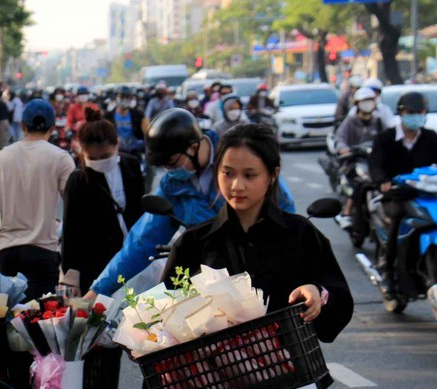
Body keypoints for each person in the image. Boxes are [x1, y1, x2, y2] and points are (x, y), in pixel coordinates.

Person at [121, 123, 353, 389]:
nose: (237, 186)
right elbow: (160, 317)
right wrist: (146, 340)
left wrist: (316, 294)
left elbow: (338, 298)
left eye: (250, 175)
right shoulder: (195, 244)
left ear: (272, 175)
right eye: (227, 173)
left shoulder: (301, 235)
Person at [85, 109, 296, 300]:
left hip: (263, 279)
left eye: (172, 163)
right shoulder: (173, 186)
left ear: (194, 147)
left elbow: (285, 218)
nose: (235, 185)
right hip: (214, 288)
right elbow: (141, 241)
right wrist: (99, 289)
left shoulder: (239, 156)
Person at [60, 108, 144, 389]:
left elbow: (145, 214)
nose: (100, 162)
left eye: (106, 156)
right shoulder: (78, 180)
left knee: (141, 345)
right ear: (82, 153)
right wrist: (73, 276)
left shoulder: (131, 166)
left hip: (138, 268)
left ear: (117, 146)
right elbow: (72, 232)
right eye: (93, 158)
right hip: (99, 276)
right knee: (100, 350)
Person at [0, 99, 75, 301]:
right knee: (40, 321)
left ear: (23, 125)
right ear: (52, 128)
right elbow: (73, 206)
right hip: (43, 251)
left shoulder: (0, 158)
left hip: (7, 253)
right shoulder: (61, 158)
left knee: (11, 317)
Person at [368, 91, 437, 294]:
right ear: (401, 112)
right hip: (397, 196)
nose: (416, 116)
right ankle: (389, 273)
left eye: (420, 112)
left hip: (427, 196)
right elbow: (376, 164)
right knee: (397, 225)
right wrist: (382, 182)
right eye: (411, 112)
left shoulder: (431, 138)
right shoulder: (386, 138)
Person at [334, 87, 385, 233]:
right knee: (360, 183)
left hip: (375, 162)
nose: (367, 104)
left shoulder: (379, 122)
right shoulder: (350, 122)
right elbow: (340, 139)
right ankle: (347, 211)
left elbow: (389, 138)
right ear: (357, 103)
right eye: (364, 101)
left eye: (370, 101)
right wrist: (344, 148)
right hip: (355, 161)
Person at [104, 86, 149, 158]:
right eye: (122, 97)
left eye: (127, 97)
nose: (125, 100)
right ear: (116, 98)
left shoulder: (138, 115)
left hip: (136, 151)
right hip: (115, 153)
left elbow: (146, 134)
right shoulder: (108, 116)